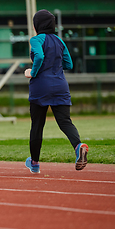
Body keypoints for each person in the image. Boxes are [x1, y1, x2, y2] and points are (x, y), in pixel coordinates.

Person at [24, 9, 88, 174]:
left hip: (40, 87)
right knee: (65, 121)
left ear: (37, 24)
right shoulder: (60, 41)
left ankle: (35, 163)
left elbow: (38, 57)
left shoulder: (36, 39)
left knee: (37, 125)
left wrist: (32, 72)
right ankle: (78, 146)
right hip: (60, 86)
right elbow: (68, 64)